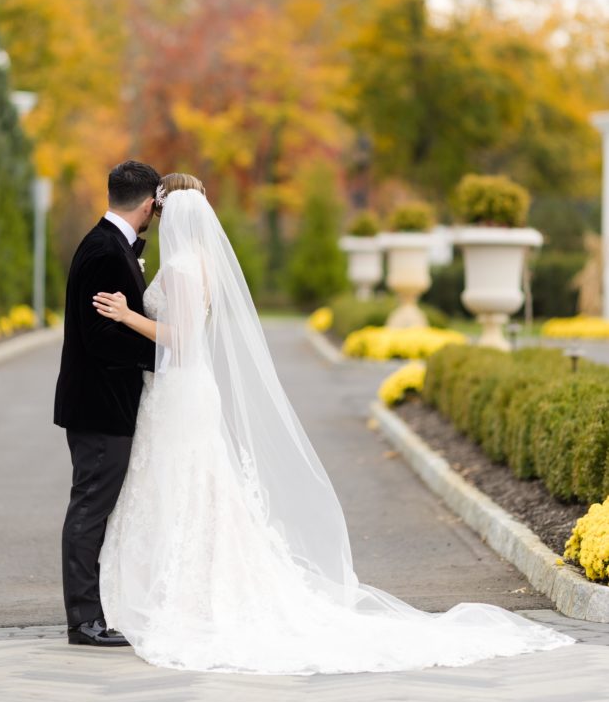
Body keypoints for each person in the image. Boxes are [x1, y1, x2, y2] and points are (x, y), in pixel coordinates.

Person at [92, 173, 577, 674]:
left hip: (181, 392)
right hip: (179, 391)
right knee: (195, 485)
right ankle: (189, 580)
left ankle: (184, 590)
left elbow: (185, 337)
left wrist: (129, 316)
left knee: (187, 483)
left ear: (168, 213)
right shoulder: (201, 263)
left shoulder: (181, 267)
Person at [54, 159, 160, 646]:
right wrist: (165, 356)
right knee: (90, 510)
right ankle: (84, 620)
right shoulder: (104, 251)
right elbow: (101, 340)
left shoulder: (112, 244)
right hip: (101, 407)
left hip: (104, 405)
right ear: (147, 204)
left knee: (95, 508)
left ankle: (93, 611)